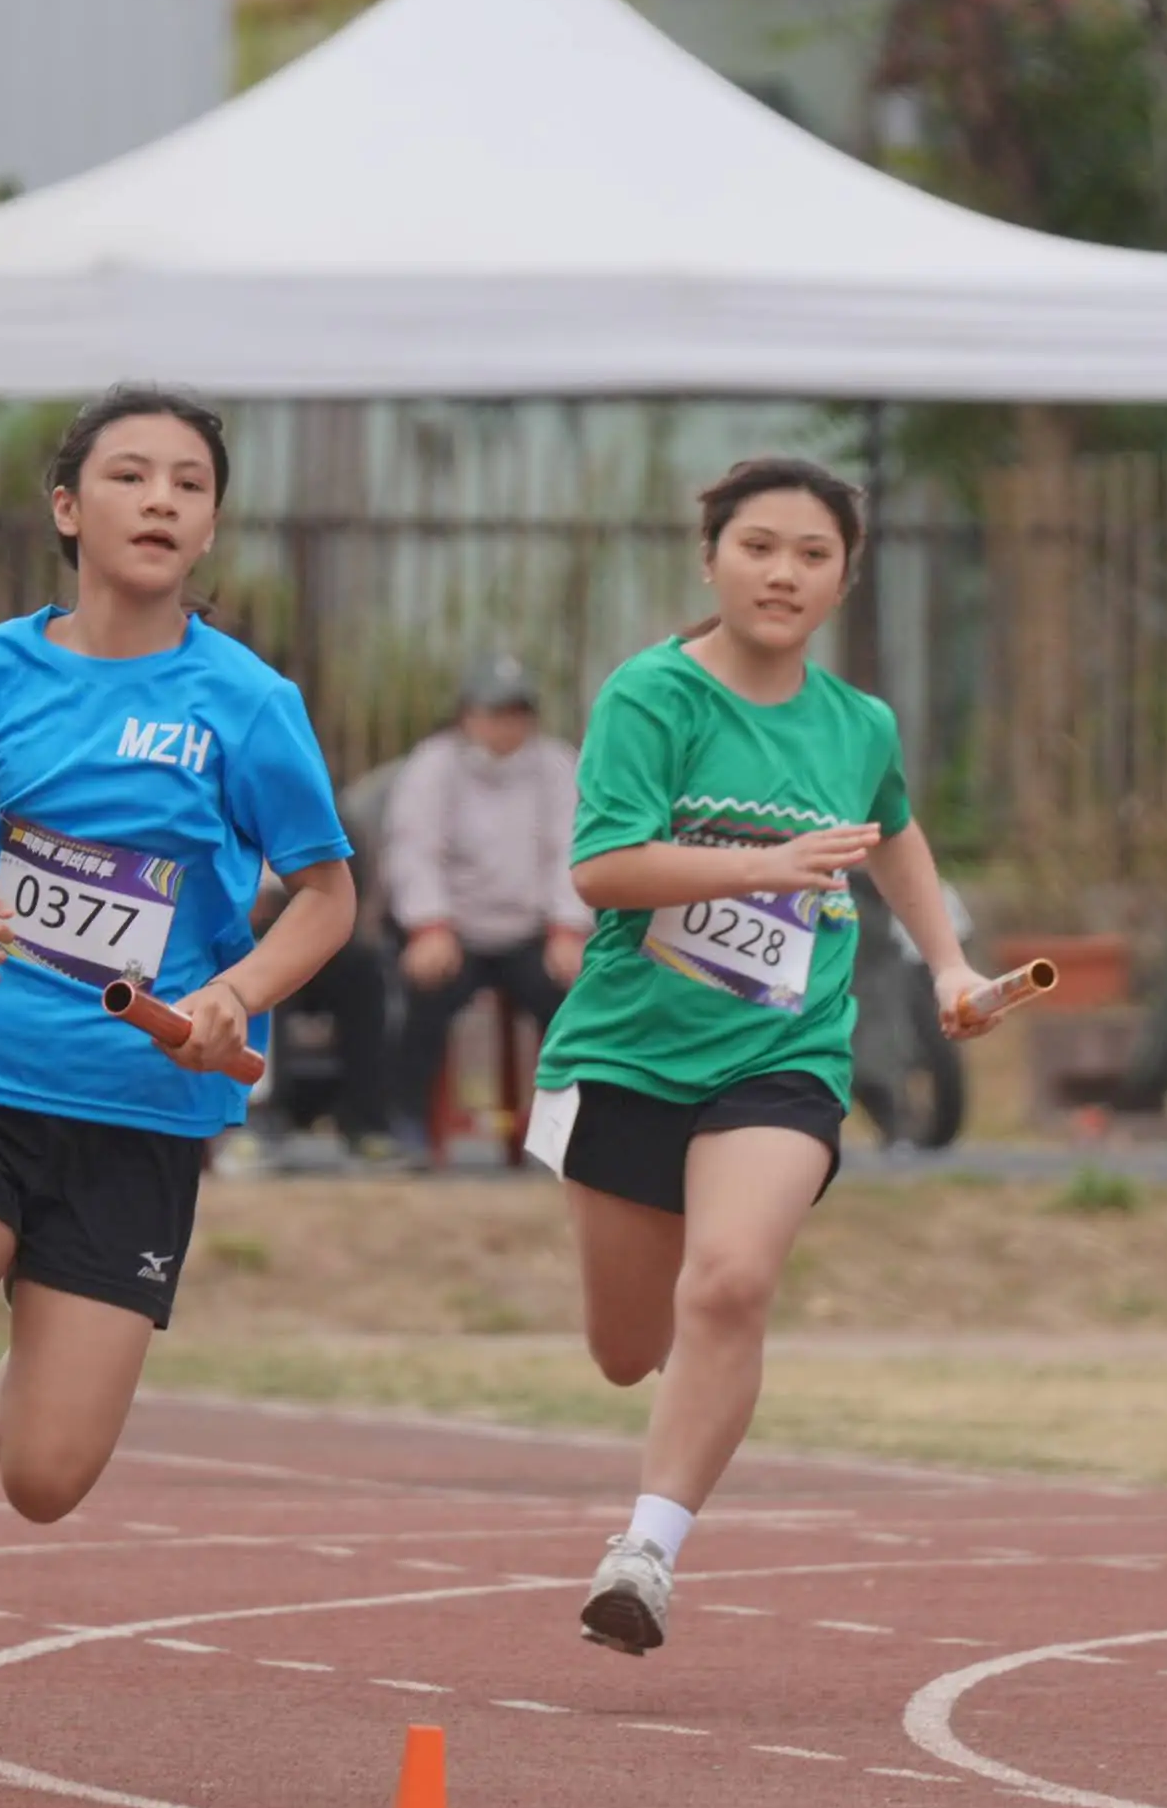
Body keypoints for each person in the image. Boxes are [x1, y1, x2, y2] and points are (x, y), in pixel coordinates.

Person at [0, 387, 358, 1803]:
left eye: (188, 481)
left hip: (140, 1116)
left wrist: (238, 992)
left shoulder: (246, 703)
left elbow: (325, 895)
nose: (160, 499)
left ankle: (31, 1360)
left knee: (44, 1476)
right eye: (128, 474)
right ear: (68, 508)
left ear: (210, 524)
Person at [535, 456, 992, 1655]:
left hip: (783, 1056)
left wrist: (947, 965)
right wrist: (758, 865)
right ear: (710, 561)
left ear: (843, 579)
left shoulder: (858, 723)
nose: (782, 572)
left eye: (811, 553)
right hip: (630, 1052)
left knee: (731, 1282)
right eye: (757, 546)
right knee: (625, 1349)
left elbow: (893, 835)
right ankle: (678, 1387)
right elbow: (602, 869)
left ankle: (644, 1553)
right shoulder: (652, 696)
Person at [379, 655, 590, 1163]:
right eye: (494, 712)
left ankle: (571, 1132)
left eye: (517, 713)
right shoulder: (432, 765)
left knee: (579, 1007)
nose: (505, 726)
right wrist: (429, 925)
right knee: (420, 998)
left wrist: (569, 928)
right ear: (466, 716)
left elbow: (574, 851)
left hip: (533, 931)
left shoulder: (558, 766)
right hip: (453, 930)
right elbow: (413, 851)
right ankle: (406, 1124)